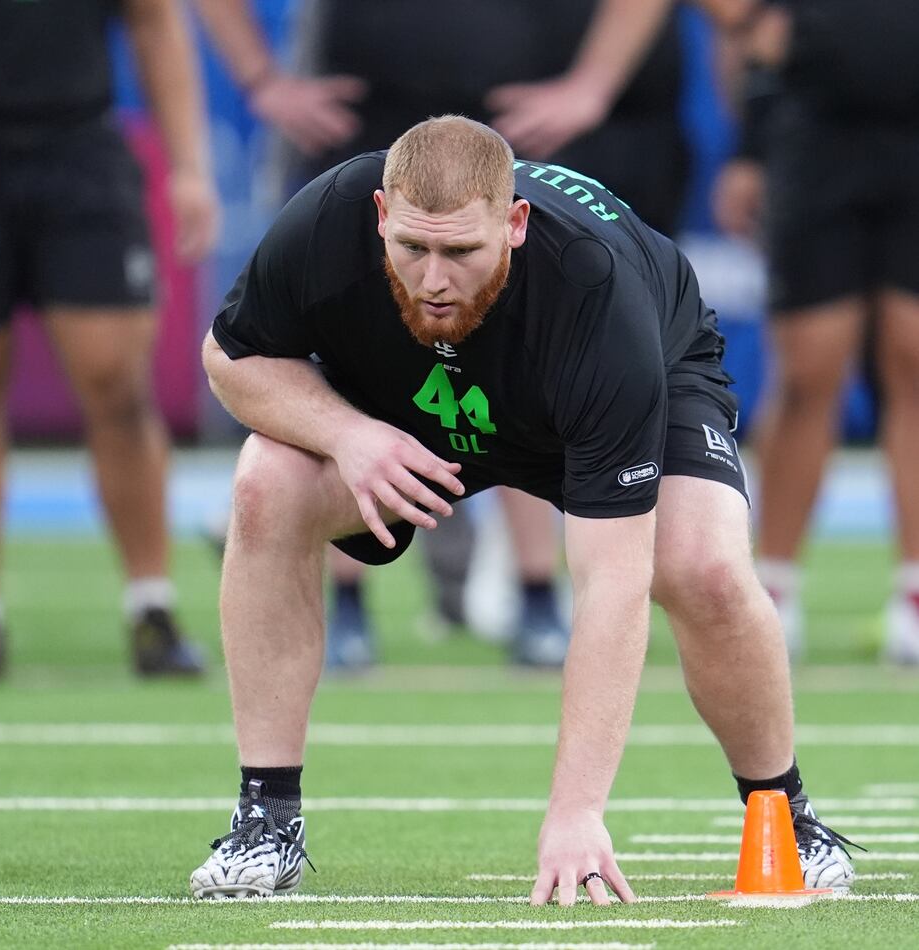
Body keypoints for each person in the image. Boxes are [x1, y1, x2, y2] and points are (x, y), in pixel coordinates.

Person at [190, 116, 856, 902]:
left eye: (461, 253)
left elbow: (612, 583)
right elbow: (230, 357)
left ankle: (788, 815)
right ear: (378, 216)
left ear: (514, 224)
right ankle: (265, 821)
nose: (433, 279)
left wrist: (577, 812)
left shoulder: (594, 293)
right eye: (411, 249)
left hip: (634, 373)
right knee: (267, 482)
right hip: (414, 401)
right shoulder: (326, 221)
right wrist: (347, 434)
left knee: (700, 568)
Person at [195, 0, 684, 669]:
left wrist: (591, 84)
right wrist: (261, 80)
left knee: (525, 349)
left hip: (509, 116)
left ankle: (536, 592)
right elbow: (234, 353)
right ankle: (348, 606)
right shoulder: (347, 203)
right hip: (361, 113)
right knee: (340, 359)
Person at [0, 0, 219, 679]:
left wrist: (189, 167)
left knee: (114, 378)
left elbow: (155, 21)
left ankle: (151, 607)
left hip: (78, 144)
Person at [710, 0, 919, 662]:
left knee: (913, 359)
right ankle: (772, 590)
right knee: (808, 371)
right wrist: (749, 152)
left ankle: (914, 594)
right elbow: (749, 32)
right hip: (819, 145)